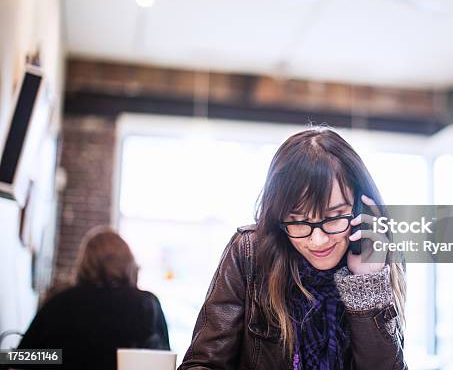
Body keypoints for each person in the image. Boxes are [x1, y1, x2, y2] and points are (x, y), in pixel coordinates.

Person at [180, 127, 408, 370]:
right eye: (299, 220)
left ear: (360, 210)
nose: (317, 240)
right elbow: (202, 364)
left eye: (333, 217)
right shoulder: (248, 252)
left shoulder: (380, 257)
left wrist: (367, 282)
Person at [16, 226, 170, 370]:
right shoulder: (145, 305)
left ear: (85, 262)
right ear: (128, 263)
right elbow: (161, 362)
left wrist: (63, 356)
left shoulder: (60, 301)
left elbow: (21, 359)